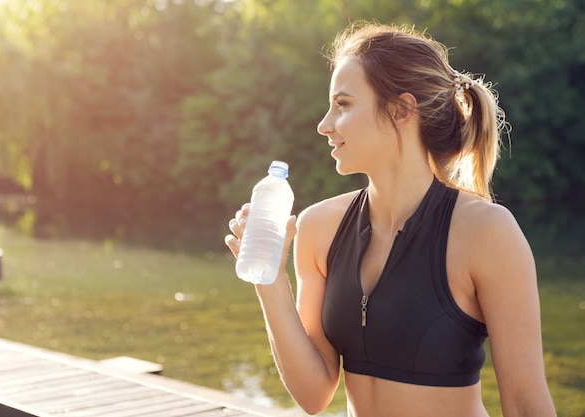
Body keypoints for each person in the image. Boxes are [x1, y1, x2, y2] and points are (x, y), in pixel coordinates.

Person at [225, 21, 556, 417]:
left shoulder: (487, 233)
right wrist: (271, 280)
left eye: (343, 104)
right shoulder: (318, 227)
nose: (324, 124)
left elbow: (525, 405)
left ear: (400, 110)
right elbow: (314, 395)